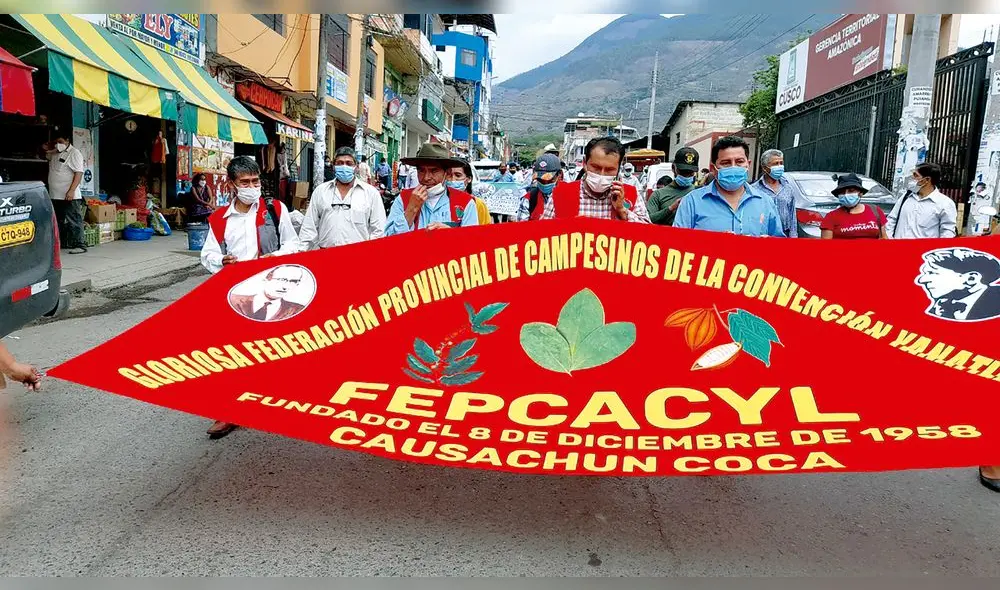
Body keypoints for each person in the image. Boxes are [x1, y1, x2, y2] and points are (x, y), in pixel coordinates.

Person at [200, 156, 301, 438]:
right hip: (237, 295)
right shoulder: (219, 219)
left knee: (276, 349)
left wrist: (275, 257)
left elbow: (294, 245)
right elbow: (206, 255)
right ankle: (228, 411)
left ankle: (277, 403)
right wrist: (223, 260)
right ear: (232, 184)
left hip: (274, 290)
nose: (252, 187)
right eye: (245, 182)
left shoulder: (275, 210)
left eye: (255, 181)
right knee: (232, 354)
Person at [672, 136, 784, 237]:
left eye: (739, 161)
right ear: (713, 168)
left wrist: (769, 244)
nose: (733, 167)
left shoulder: (765, 202)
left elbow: (780, 246)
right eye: (726, 163)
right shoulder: (692, 202)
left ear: (748, 164)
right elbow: (677, 246)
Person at [539, 137, 650, 223]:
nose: (601, 175)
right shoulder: (561, 194)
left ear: (618, 169)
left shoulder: (631, 195)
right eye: (596, 167)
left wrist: (622, 210)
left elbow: (651, 239)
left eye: (609, 170)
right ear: (584, 163)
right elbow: (542, 235)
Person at [298, 146, 386, 250]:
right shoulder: (321, 191)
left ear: (356, 167)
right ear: (334, 166)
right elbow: (309, 227)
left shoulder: (371, 194)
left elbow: (378, 230)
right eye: (340, 163)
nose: (344, 166)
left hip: (358, 258)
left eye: (349, 163)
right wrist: (301, 250)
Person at [385, 143, 479, 234]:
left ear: (447, 173)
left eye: (434, 171)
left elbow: (473, 243)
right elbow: (388, 240)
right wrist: (411, 210)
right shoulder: (403, 198)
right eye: (421, 170)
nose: (426, 177)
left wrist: (453, 235)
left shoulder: (465, 202)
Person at [885, 162, 957, 238]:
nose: (912, 178)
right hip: (898, 248)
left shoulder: (945, 203)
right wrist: (889, 240)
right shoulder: (906, 197)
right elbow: (891, 220)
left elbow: (947, 232)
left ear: (927, 180)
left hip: (924, 249)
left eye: (915, 175)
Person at [42, 135, 87, 254]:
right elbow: (46, 155)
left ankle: (80, 245)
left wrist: (71, 190)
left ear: (67, 141)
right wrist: (48, 148)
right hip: (55, 195)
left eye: (60, 141)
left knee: (74, 220)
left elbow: (79, 173)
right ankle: (63, 243)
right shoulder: (54, 153)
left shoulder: (74, 153)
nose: (58, 144)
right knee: (58, 220)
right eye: (56, 142)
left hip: (69, 195)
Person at [228, 265, 308, 322]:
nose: (285, 286)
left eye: (293, 281)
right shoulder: (234, 300)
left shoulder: (298, 310)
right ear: (266, 279)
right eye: (281, 280)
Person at [820, 173, 886, 239]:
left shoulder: (875, 211)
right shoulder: (831, 217)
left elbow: (883, 237)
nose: (846, 195)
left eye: (851, 191)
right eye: (842, 192)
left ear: (860, 193)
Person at [647, 147, 700, 227]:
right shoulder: (658, 195)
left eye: (690, 172)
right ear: (673, 168)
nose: (686, 176)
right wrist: (671, 208)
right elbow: (648, 220)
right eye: (683, 172)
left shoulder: (699, 193)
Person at [751, 149, 798, 237]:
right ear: (764, 168)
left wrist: (793, 236)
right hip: (762, 235)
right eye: (776, 164)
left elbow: (792, 215)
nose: (780, 166)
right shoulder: (754, 189)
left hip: (785, 235)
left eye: (781, 163)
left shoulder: (788, 187)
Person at [517, 153, 562, 221]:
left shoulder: (571, 196)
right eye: (540, 179)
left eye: (549, 180)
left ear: (559, 174)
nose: (545, 183)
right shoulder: (529, 199)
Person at [446, 159, 492, 225]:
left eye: (458, 175)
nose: (453, 179)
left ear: (469, 179)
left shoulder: (477, 204)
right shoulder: (438, 202)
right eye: (449, 175)